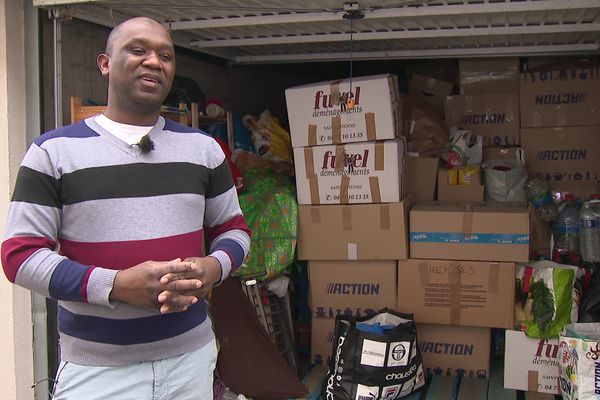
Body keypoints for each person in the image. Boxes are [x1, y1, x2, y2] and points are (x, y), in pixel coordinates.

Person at [1, 16, 251, 399]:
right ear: (105, 63)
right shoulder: (52, 153)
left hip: (190, 360)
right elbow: (19, 256)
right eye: (138, 50)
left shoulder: (203, 150)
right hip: (98, 371)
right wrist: (115, 286)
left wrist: (212, 268)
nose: (154, 61)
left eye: (165, 55)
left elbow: (234, 231)